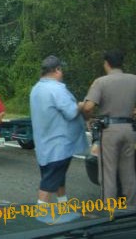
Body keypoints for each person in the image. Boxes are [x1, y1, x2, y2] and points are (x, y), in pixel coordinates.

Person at [81, 50, 136, 206]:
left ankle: (110, 212)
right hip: (129, 130)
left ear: (106, 63)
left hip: (109, 131)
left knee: (108, 174)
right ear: (121, 63)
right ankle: (133, 210)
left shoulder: (101, 82)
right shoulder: (135, 80)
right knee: (128, 172)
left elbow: (88, 107)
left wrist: (88, 118)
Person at [30, 55, 88, 204]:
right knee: (48, 183)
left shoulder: (36, 88)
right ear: (57, 70)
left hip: (45, 144)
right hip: (58, 145)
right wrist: (81, 105)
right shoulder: (56, 89)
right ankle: (40, 214)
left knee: (57, 178)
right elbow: (71, 112)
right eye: (61, 70)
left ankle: (63, 205)